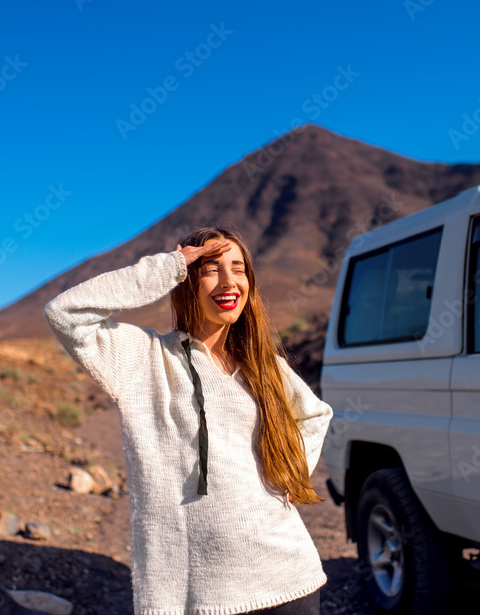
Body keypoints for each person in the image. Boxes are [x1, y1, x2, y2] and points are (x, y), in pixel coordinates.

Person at [43, 225, 334, 615]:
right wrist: (170, 266)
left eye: (239, 268)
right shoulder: (144, 359)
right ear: (188, 280)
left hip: (288, 574)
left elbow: (316, 415)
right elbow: (65, 313)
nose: (229, 281)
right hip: (199, 593)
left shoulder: (265, 366)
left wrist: (292, 471)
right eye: (211, 269)